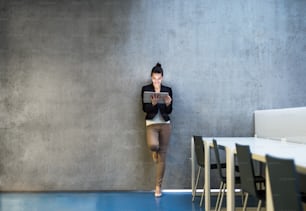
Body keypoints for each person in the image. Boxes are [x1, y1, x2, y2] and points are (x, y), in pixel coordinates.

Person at [141, 63, 173, 197]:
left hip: (165, 124)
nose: (157, 81)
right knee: (154, 146)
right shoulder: (145, 89)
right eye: (154, 78)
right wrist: (153, 105)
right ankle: (154, 152)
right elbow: (144, 109)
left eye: (159, 79)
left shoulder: (168, 90)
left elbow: (169, 111)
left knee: (163, 156)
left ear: (162, 78)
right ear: (151, 77)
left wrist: (168, 104)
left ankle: (158, 186)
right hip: (151, 124)